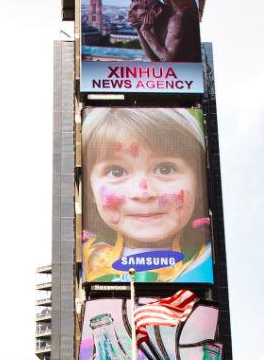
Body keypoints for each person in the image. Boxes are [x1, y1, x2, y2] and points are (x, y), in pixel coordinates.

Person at [79, 106, 213, 285]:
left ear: (199, 181)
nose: (143, 193)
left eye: (165, 169)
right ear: (89, 190)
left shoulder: (208, 257)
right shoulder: (85, 261)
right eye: (116, 172)